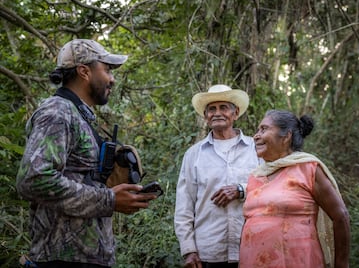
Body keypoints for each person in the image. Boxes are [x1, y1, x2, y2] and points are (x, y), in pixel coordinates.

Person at [16, 39, 157, 268]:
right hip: (61, 260)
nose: (112, 79)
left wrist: (116, 195)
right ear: (84, 71)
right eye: (107, 69)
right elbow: (34, 179)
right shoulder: (57, 111)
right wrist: (109, 199)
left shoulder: (78, 114)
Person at [239, 109, 350, 268]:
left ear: (286, 136)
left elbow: (341, 216)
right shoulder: (255, 176)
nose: (256, 135)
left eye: (264, 129)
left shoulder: (308, 168)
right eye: (257, 130)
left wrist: (342, 264)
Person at [174, 84, 261, 268]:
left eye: (224, 108)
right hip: (209, 252)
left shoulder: (256, 149)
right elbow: (184, 206)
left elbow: (271, 187)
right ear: (206, 116)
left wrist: (241, 190)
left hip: (252, 247)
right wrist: (189, 250)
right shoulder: (193, 154)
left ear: (235, 113)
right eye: (211, 109)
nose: (217, 113)